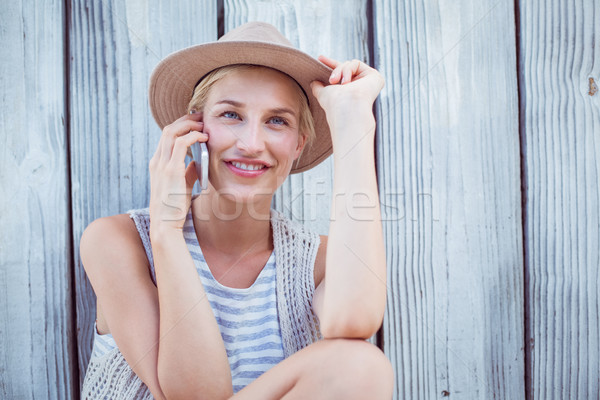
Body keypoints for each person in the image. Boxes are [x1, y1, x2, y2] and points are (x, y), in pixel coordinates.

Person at [80, 21, 393, 399]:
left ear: (298, 145)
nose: (251, 143)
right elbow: (196, 394)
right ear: (194, 126)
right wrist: (165, 232)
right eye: (231, 115)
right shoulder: (119, 241)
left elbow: (356, 320)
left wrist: (353, 122)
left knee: (361, 365)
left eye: (277, 121)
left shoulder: (315, 261)